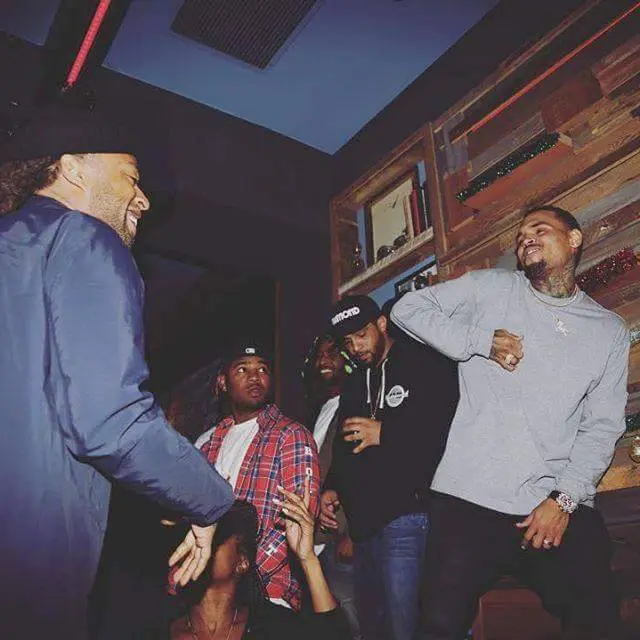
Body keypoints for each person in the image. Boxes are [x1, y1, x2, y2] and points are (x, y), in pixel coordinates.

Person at [0, 104, 234, 639]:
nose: (143, 199)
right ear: (72, 168)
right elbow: (108, 421)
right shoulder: (82, 237)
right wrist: (209, 500)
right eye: (131, 176)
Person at [391, 206, 630, 639]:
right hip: (468, 500)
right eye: (520, 236)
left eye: (540, 229)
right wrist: (479, 341)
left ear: (574, 239)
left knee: (598, 618)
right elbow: (407, 308)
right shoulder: (491, 288)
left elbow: (602, 426)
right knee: (437, 626)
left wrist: (564, 501)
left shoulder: (608, 331)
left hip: (549, 504)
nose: (526, 239)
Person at [320, 295, 459, 640]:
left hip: (408, 517)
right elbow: (344, 446)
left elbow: (448, 431)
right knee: (373, 627)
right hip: (363, 527)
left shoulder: (423, 363)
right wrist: (332, 486)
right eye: (347, 342)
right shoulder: (355, 382)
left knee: (405, 627)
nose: (355, 348)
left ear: (382, 324)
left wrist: (386, 432)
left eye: (361, 335)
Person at [192, 342, 321, 610]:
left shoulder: (291, 435)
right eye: (242, 369)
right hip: (208, 596)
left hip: (268, 595)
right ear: (223, 383)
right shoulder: (207, 443)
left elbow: (297, 523)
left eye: (262, 369)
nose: (255, 377)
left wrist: (243, 581)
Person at [170, 481, 351, 640]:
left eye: (216, 534)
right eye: (194, 533)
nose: (201, 541)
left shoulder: (271, 626)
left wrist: (307, 558)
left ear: (242, 562)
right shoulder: (163, 627)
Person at [303, 333, 361, 639]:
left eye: (332, 352)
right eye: (319, 355)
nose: (323, 360)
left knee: (354, 623)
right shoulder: (322, 408)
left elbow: (365, 469)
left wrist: (353, 533)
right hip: (317, 538)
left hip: (342, 538)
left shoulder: (358, 403)